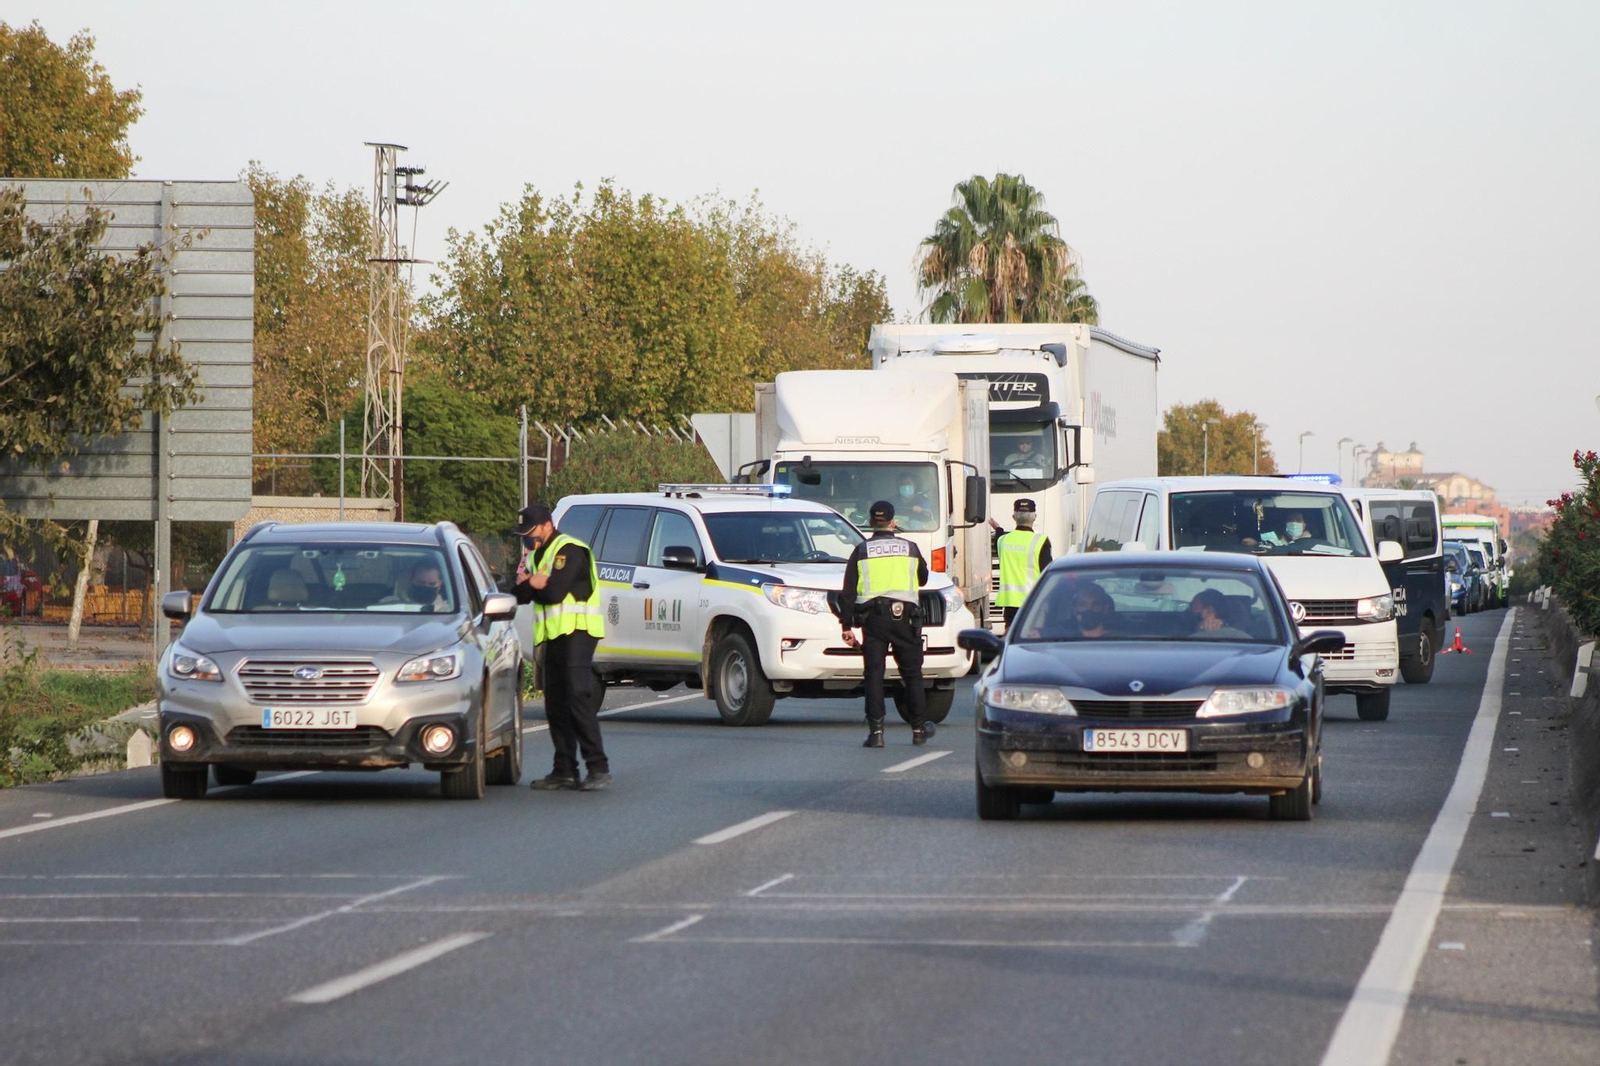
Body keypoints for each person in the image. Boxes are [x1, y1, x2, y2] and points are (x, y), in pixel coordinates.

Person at [512, 503, 611, 792]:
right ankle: (564, 770)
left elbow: (554, 593)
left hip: (578, 633)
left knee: (577, 696)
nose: (527, 538)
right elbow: (517, 594)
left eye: (530, 532)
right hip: (553, 636)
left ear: (547, 525)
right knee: (554, 702)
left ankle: (598, 768)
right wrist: (533, 582)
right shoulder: (535, 555)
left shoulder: (570, 550)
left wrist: (532, 584)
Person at [839, 500, 932, 747]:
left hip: (874, 619)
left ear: (871, 522)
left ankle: (876, 733)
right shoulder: (910, 548)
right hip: (906, 619)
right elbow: (923, 579)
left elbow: (847, 593)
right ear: (894, 522)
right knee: (912, 674)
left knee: (874, 675)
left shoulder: (861, 550)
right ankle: (919, 729)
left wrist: (846, 626)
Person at [989, 498, 1053, 626]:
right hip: (1033, 602)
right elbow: (1047, 573)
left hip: (1010, 605)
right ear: (1035, 517)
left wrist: (997, 528)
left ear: (1014, 517)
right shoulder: (1041, 541)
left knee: (1012, 639)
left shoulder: (1003, 541)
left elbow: (999, 536)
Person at [380, 561, 449, 612]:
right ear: (411, 581)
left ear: (440, 584)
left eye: (432, 584)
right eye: (420, 583)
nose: (425, 587)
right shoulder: (388, 604)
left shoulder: (449, 611)